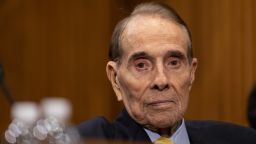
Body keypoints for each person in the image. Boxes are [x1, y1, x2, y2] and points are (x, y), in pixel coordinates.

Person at [77, 2, 256, 144]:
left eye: (173, 62)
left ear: (192, 73)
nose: (161, 80)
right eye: (141, 65)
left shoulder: (243, 139)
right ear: (115, 79)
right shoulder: (86, 139)